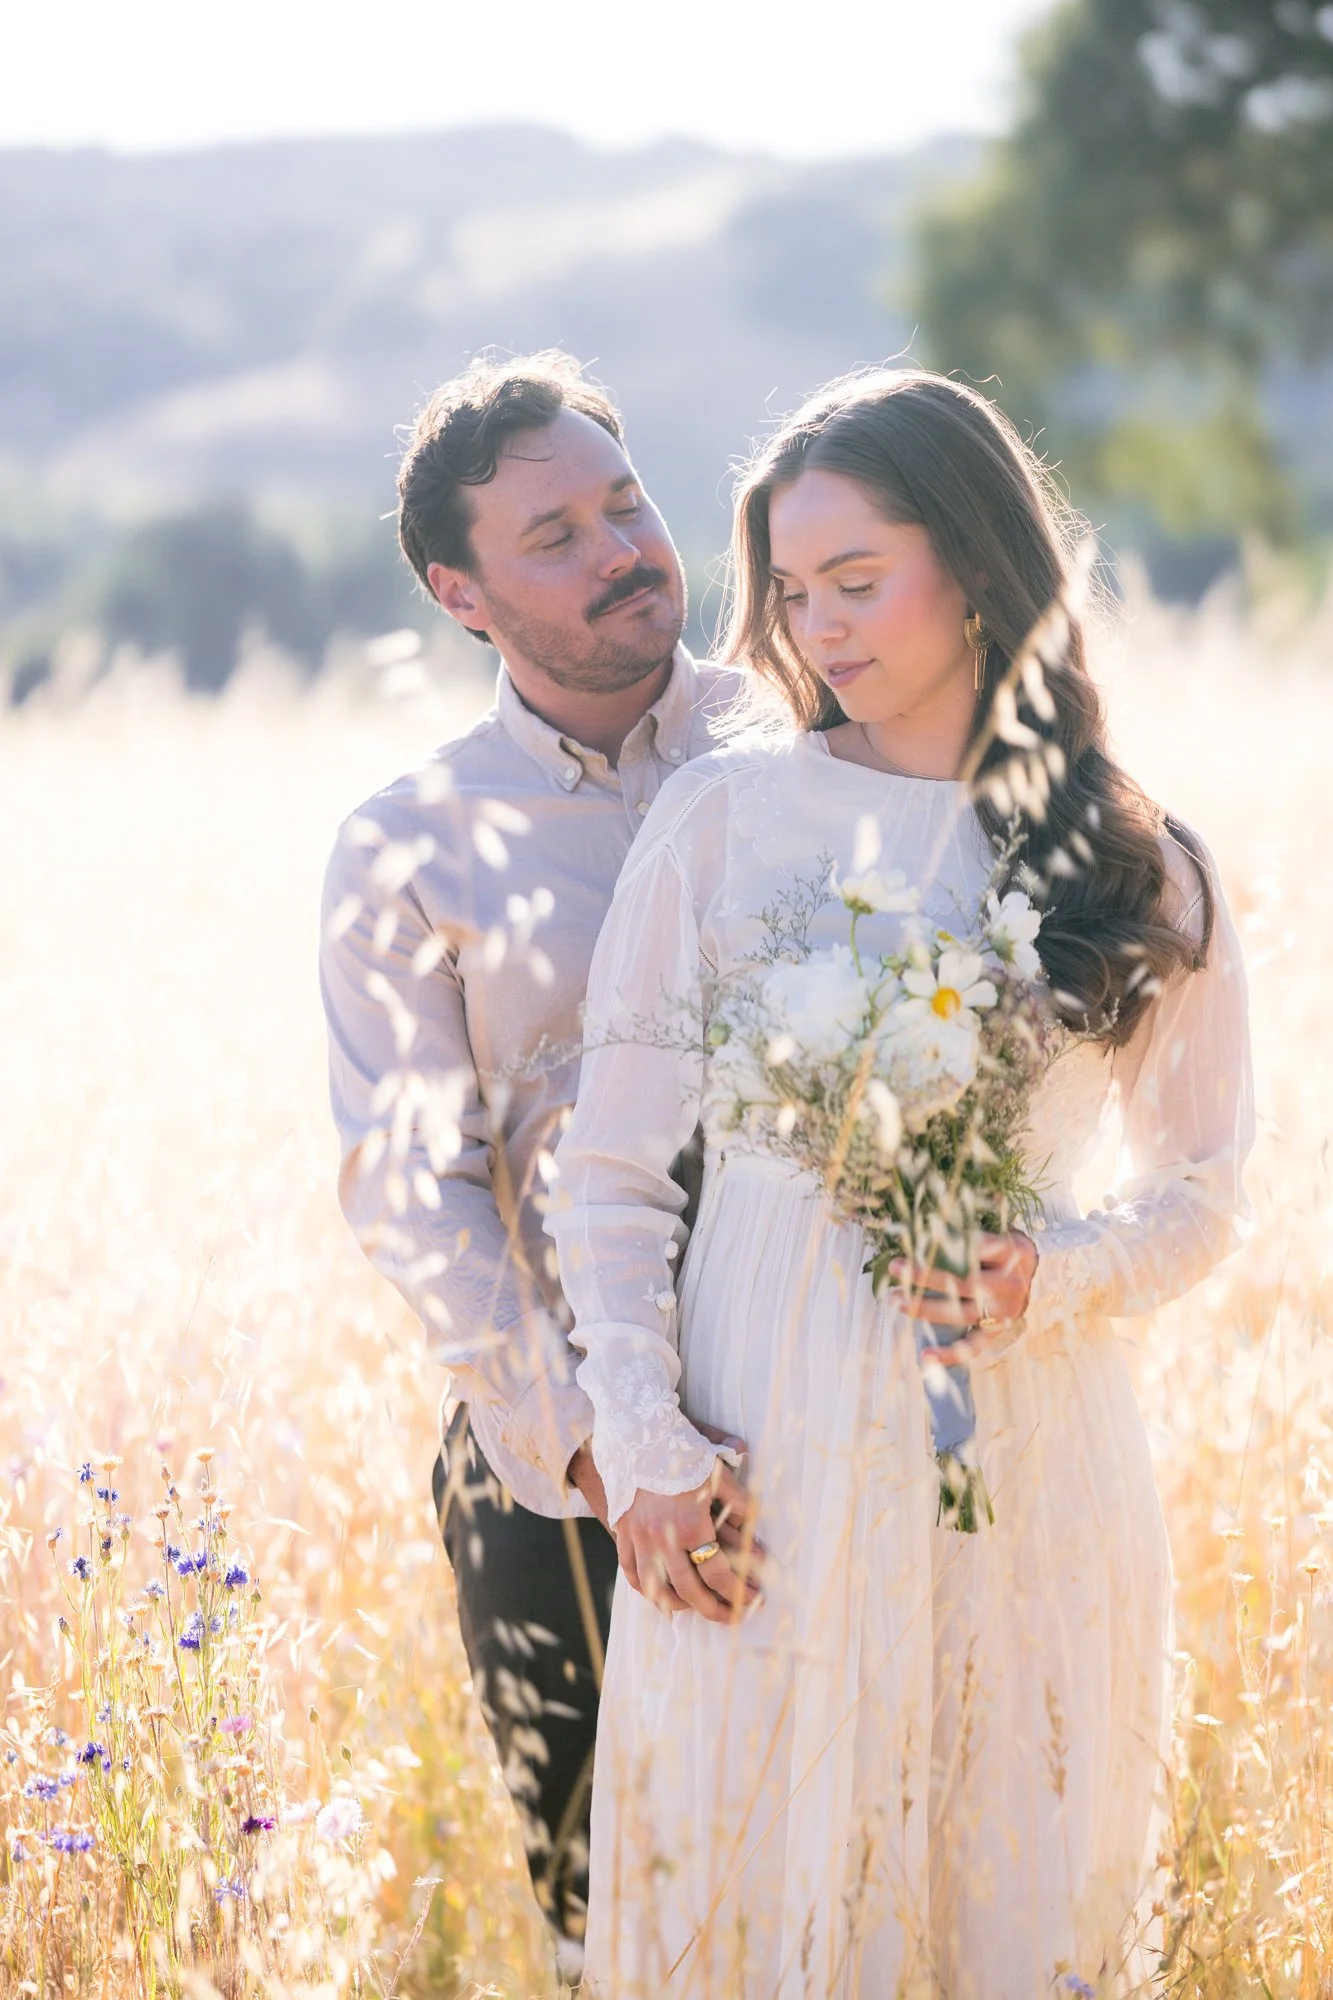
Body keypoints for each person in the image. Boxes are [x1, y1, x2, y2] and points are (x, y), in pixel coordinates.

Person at [546, 368, 1254, 1997]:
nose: (819, 629)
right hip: (763, 1461)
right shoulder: (727, 821)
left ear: (985, 566)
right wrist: (646, 1447)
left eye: (857, 583)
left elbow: (1210, 1189)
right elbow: (613, 1176)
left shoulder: (1145, 866)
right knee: (765, 1893)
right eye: (794, 594)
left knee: (1005, 1894)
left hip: (1027, 1460)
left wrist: (1047, 1275)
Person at [318, 351, 742, 1970]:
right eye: (554, 536)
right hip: (554, 1458)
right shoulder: (409, 844)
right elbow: (408, 1186)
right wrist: (590, 1452)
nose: (624, 549)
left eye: (625, 504)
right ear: (460, 593)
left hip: (828, 1396)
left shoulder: (811, 742)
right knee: (612, 1911)